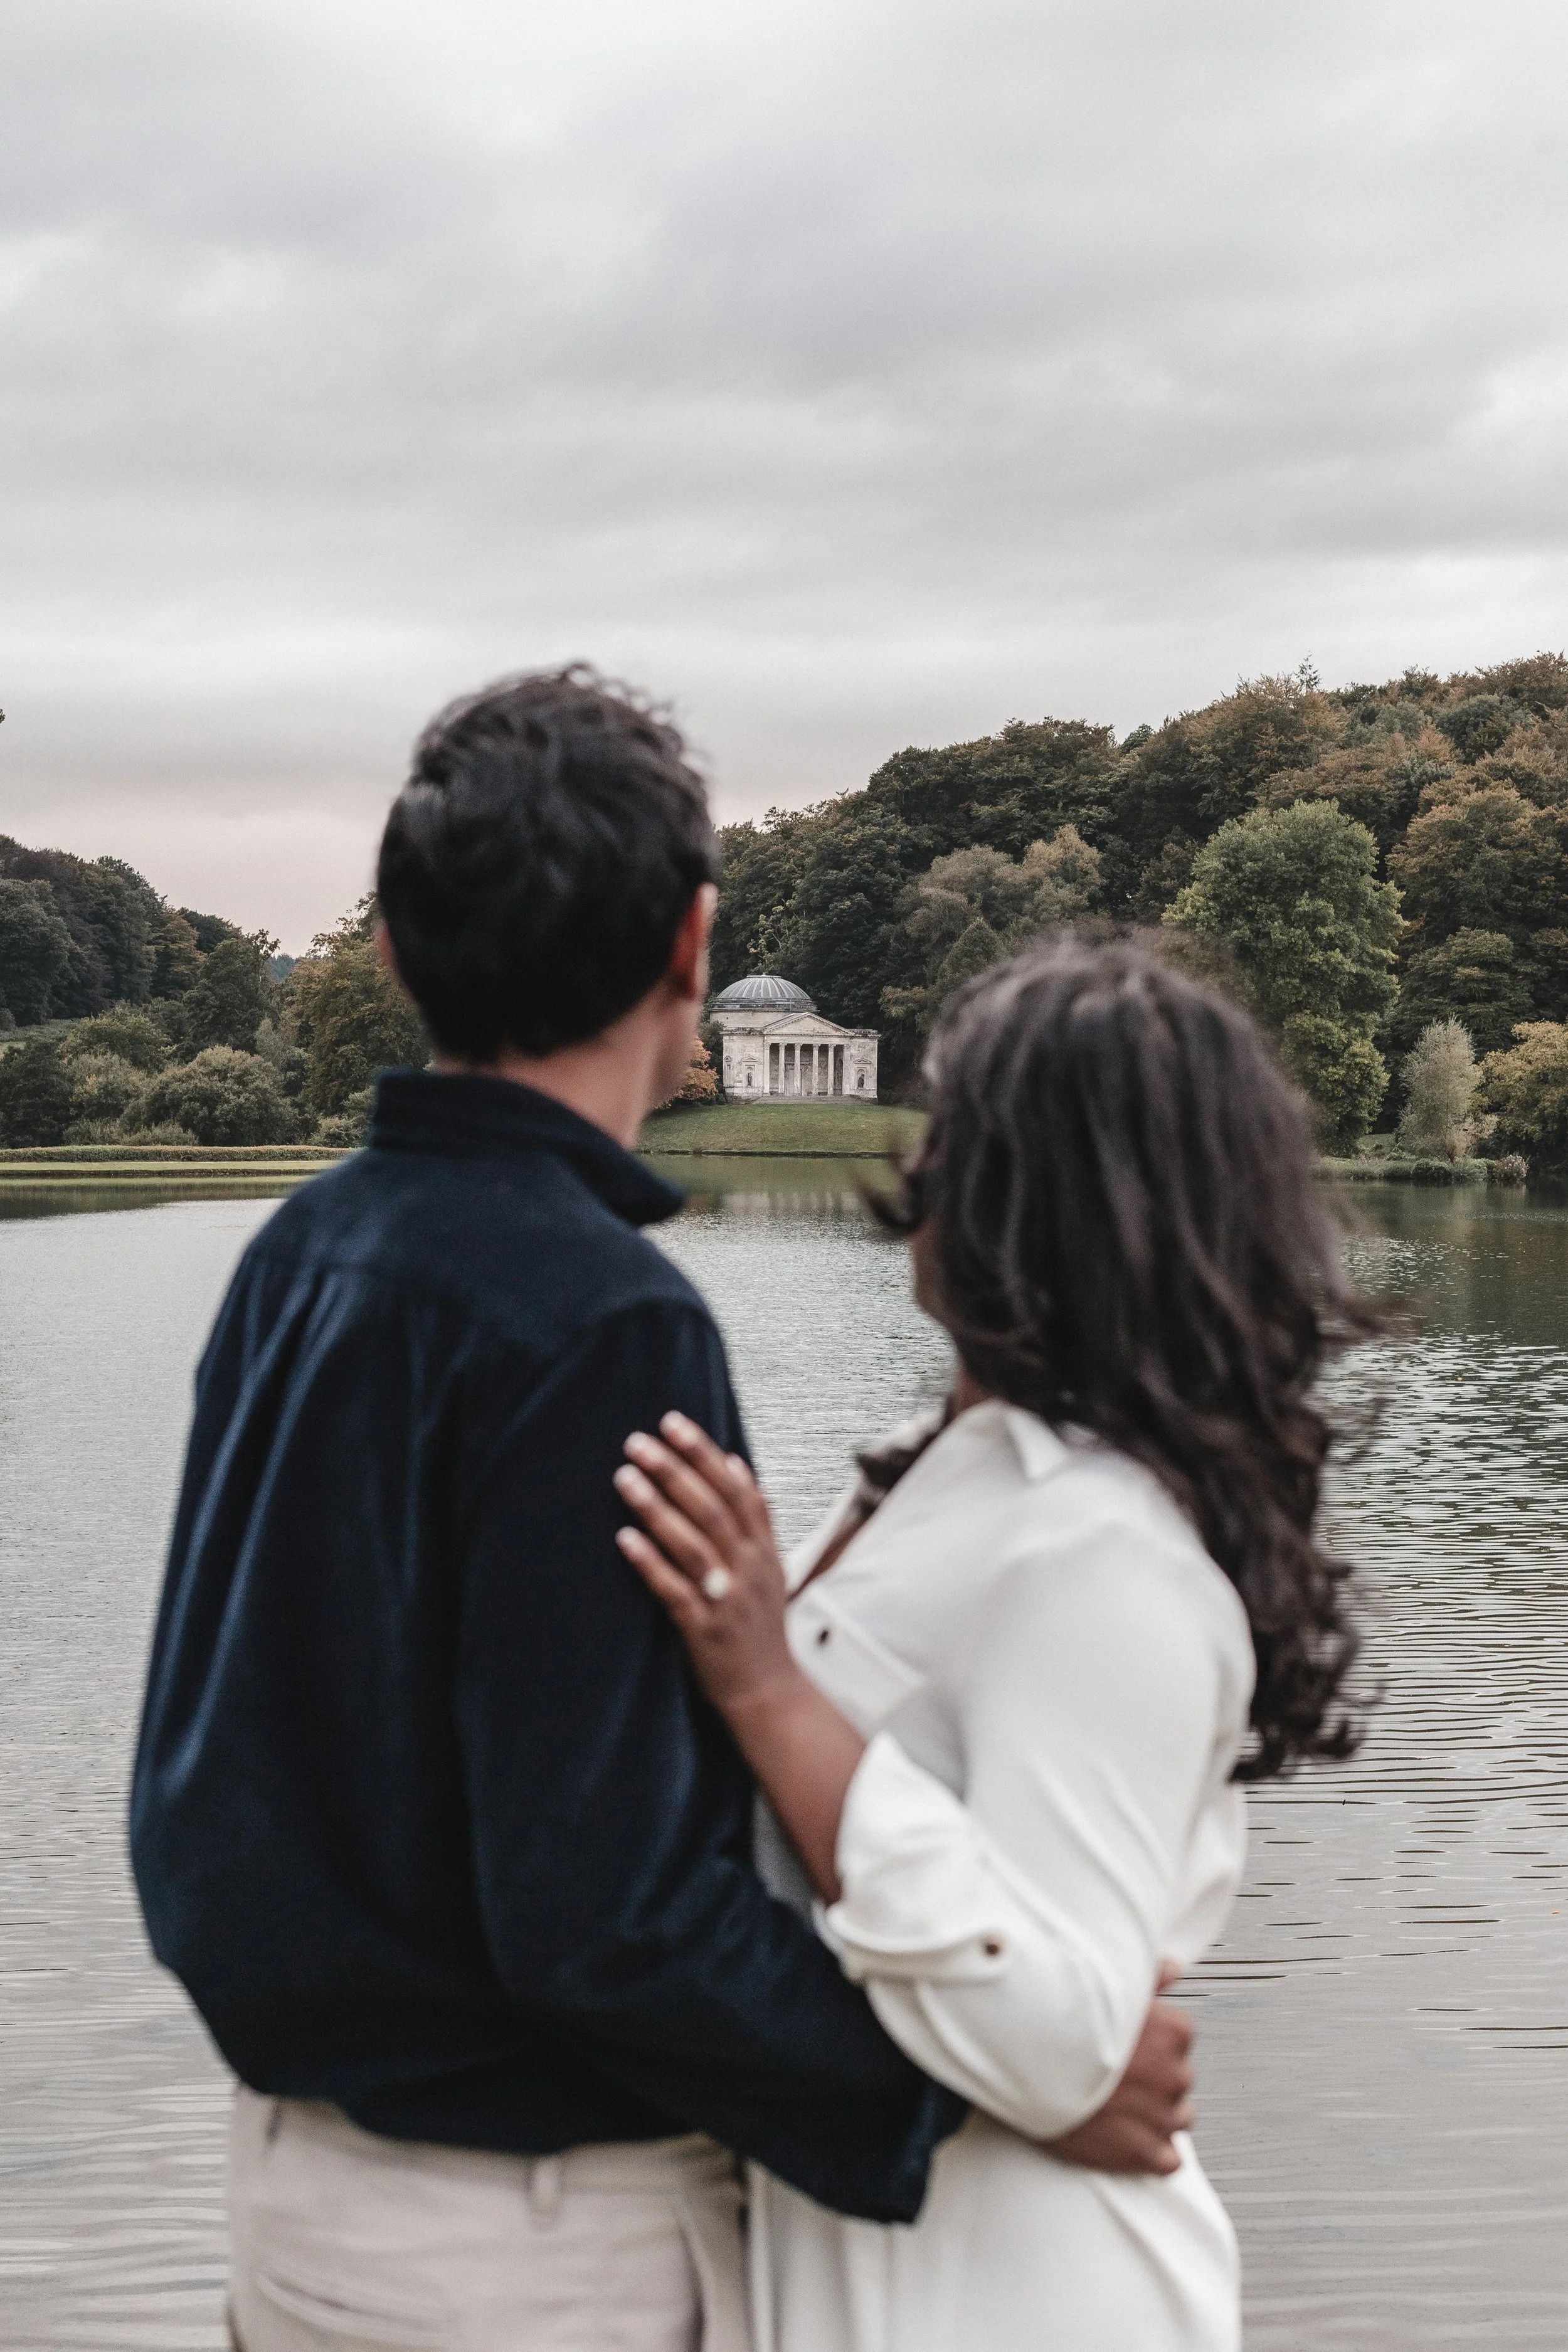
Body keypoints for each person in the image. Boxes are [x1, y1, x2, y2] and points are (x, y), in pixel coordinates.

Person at [130, 674, 1193, 2352]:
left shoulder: (296, 1256)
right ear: (692, 950)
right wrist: (969, 2100)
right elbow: (602, 1906)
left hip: (297, 2203)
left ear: (395, 951)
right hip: (528, 2250)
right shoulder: (606, 1311)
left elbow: (195, 1810)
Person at [614, 938, 1372, 2352]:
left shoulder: (1103, 1547)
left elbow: (1057, 2038)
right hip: (864, 2246)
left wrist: (770, 1689)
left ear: (1059, 1195)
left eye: (959, 1131)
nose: (918, 1162)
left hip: (1016, 2289)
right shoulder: (932, 1470)